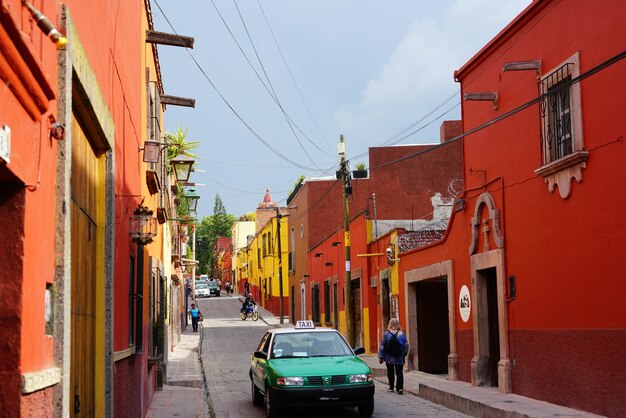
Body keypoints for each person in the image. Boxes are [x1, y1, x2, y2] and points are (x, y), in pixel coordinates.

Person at [378, 318, 408, 394]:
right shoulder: (401, 333)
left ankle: (391, 387)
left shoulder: (386, 334)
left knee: (390, 372)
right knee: (399, 372)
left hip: (389, 357)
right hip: (399, 356)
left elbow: (382, 346)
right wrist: (404, 355)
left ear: (390, 324)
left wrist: (380, 357)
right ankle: (400, 388)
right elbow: (405, 345)